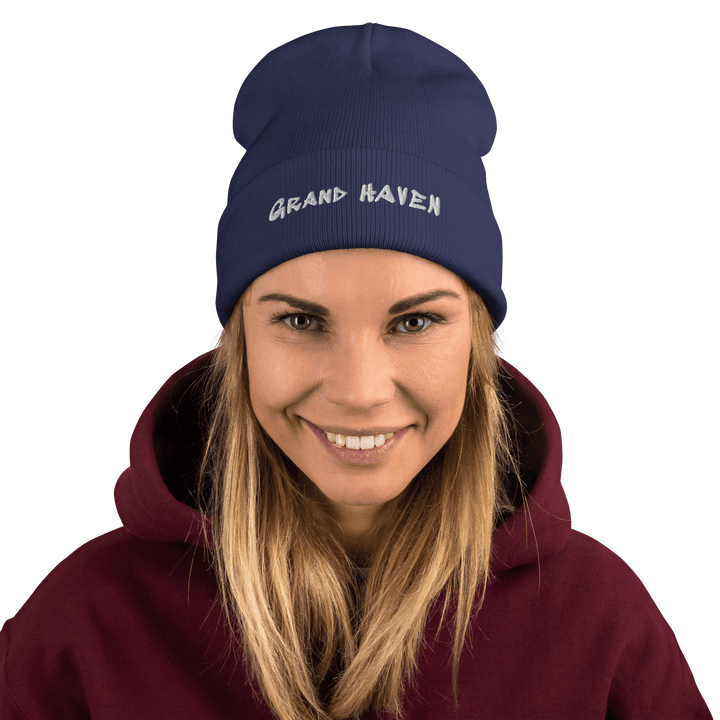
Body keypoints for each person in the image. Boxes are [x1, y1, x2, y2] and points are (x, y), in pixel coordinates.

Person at [0, 21, 713, 720]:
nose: (359, 392)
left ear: (480, 343)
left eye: (415, 322)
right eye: (301, 321)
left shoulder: (600, 619)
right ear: (238, 342)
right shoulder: (85, 622)